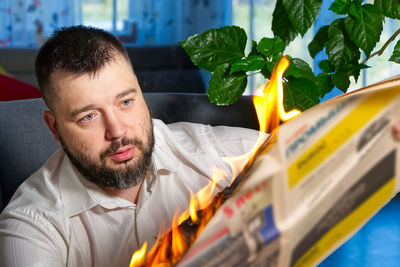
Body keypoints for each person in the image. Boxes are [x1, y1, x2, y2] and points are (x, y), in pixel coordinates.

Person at [0, 26, 259, 266]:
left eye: (125, 102)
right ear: (54, 128)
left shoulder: (212, 151)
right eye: (88, 116)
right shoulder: (32, 224)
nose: (118, 131)